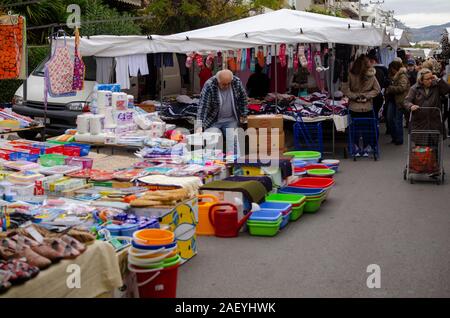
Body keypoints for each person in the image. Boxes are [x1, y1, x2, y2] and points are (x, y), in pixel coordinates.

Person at [197, 69, 248, 155]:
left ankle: (235, 164)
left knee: (234, 141)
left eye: (229, 83)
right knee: (212, 140)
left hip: (231, 119)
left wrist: (243, 114)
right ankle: (210, 163)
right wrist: (199, 126)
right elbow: (203, 106)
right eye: (224, 84)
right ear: (218, 80)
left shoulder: (236, 82)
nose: (227, 86)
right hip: (213, 120)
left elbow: (243, 99)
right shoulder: (209, 85)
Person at [342, 54, 381, 156]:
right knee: (367, 128)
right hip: (367, 106)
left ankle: (355, 147)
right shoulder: (371, 75)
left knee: (354, 128)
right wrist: (367, 96)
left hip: (354, 106)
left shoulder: (350, 74)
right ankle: (366, 147)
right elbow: (377, 89)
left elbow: (345, 89)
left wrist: (355, 96)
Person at [404, 68, 450, 137]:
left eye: (431, 78)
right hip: (420, 123)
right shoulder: (414, 88)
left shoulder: (436, 86)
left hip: (435, 123)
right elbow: (407, 101)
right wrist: (411, 106)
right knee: (420, 146)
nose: (430, 81)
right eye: (427, 79)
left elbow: (447, 90)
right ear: (421, 80)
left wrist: (439, 80)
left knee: (435, 146)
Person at [385, 60, 410, 145]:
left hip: (400, 101)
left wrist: (390, 88)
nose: (390, 70)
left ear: (395, 68)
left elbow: (402, 87)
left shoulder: (402, 76)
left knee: (397, 120)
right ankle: (395, 137)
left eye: (391, 68)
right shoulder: (394, 76)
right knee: (390, 119)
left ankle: (399, 139)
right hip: (392, 100)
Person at [368, 51, 389, 119]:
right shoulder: (382, 69)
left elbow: (377, 86)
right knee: (374, 115)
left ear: (372, 61)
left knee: (373, 115)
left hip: (375, 97)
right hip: (378, 96)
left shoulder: (377, 71)